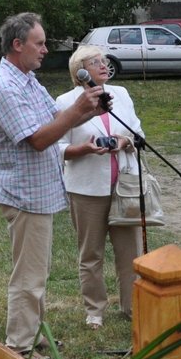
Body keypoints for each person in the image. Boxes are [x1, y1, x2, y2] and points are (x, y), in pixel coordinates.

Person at [0, 12, 104, 359]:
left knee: (37, 271)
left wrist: (89, 110)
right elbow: (38, 139)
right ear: (17, 45)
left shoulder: (27, 79)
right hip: (24, 195)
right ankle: (20, 347)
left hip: (38, 192)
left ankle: (33, 336)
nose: (45, 50)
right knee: (29, 276)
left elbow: (54, 121)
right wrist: (77, 108)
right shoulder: (4, 87)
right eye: (39, 43)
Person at [55, 47, 145, 329]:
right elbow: (55, 146)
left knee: (130, 251)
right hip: (86, 189)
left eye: (104, 61)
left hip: (124, 187)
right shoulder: (65, 101)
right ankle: (95, 310)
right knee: (90, 253)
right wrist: (82, 149)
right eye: (96, 62)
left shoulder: (121, 94)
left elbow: (138, 133)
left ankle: (133, 306)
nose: (104, 66)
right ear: (80, 71)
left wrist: (124, 141)